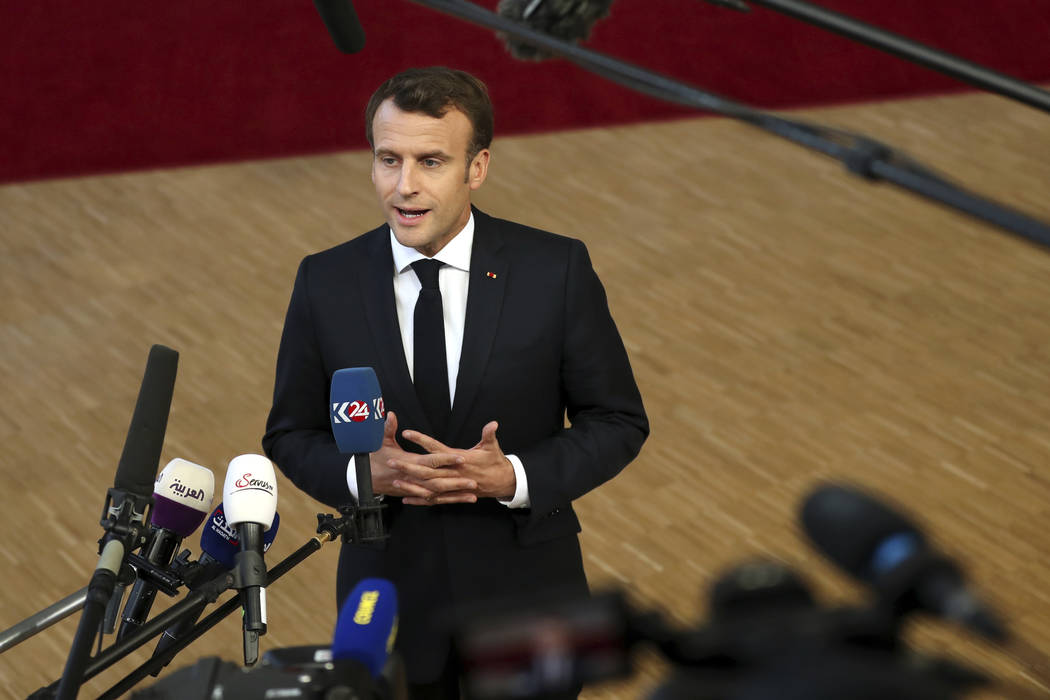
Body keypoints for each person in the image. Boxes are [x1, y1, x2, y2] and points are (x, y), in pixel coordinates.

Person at [263, 66, 648, 699]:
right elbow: (290, 432)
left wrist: (514, 476)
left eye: (431, 162)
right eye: (389, 159)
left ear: (478, 168)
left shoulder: (556, 270)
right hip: (387, 599)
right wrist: (364, 476)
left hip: (529, 590)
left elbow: (618, 421)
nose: (404, 187)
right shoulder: (324, 281)